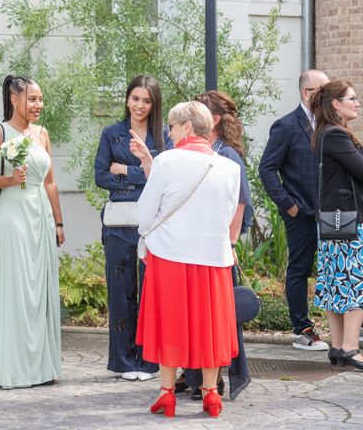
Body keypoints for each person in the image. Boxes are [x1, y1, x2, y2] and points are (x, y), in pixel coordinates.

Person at [134, 101, 240, 418]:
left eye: (171, 126)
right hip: (213, 256)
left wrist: (146, 234)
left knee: (170, 322)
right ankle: (211, 393)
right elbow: (228, 212)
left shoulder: (166, 162)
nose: (169, 131)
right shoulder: (230, 167)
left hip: (170, 254)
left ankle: (167, 393)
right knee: (211, 326)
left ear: (187, 127)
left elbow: (146, 211)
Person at [0, 75, 64, 388]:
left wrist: (58, 221)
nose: (38, 105)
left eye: (40, 99)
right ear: (14, 99)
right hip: (11, 217)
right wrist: (10, 179)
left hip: (40, 215)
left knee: (40, 290)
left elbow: (51, 181)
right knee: (16, 289)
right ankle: (13, 367)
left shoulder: (42, 134)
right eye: (32, 99)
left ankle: (42, 366)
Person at [175, 90, 254, 400]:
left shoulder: (227, 156)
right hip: (192, 246)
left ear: (214, 120)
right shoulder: (192, 152)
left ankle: (215, 379)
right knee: (194, 315)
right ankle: (193, 374)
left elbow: (240, 203)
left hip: (217, 249)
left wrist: (230, 242)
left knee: (216, 318)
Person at [94, 75, 170, 381]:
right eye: (135, 98)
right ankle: (124, 362)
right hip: (118, 224)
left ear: (154, 104)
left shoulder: (163, 136)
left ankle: (149, 361)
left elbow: (164, 177)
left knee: (152, 293)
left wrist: (126, 170)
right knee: (120, 291)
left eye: (146, 100)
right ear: (127, 99)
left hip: (152, 224)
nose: (139, 105)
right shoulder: (111, 134)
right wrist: (144, 173)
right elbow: (100, 176)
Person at [259, 69, 330, 351]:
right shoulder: (286, 126)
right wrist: (288, 205)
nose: (328, 95)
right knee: (300, 269)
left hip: (330, 213)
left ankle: (346, 326)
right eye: (322, 90)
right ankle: (302, 329)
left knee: (333, 269)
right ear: (307, 92)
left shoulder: (329, 125)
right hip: (300, 213)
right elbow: (267, 169)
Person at [310, 79, 363, 370]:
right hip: (350, 223)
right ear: (336, 105)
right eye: (352, 98)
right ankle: (350, 348)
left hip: (334, 221)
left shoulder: (325, 133)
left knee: (335, 283)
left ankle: (339, 346)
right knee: (355, 282)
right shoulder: (336, 136)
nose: (357, 103)